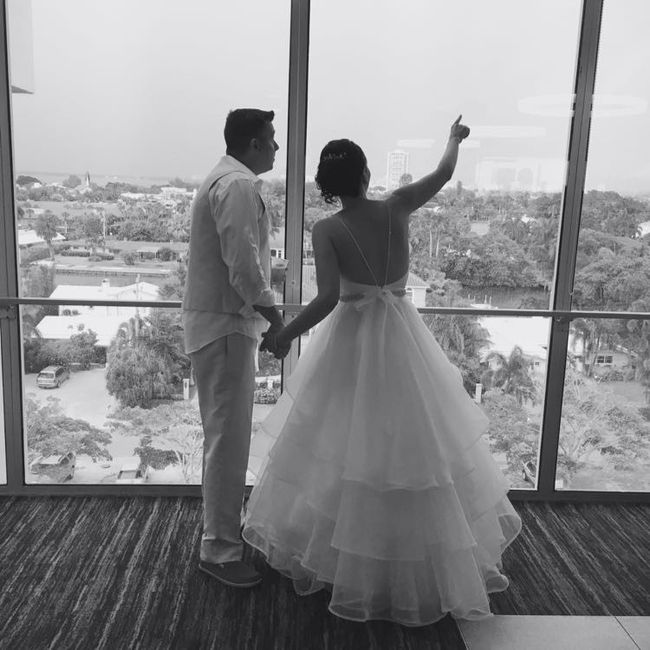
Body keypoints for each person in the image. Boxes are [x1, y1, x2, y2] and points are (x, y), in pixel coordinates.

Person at [244, 116, 522, 626]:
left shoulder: (327, 229)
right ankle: (416, 557)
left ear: (327, 186)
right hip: (403, 337)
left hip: (351, 341)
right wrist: (453, 140)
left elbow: (328, 298)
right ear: (366, 174)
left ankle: (353, 557)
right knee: (413, 444)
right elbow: (443, 174)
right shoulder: (397, 207)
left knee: (346, 444)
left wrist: (284, 336)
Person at [182, 108, 290, 589]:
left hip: (219, 325)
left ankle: (223, 536)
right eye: (272, 139)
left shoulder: (223, 180)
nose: (276, 147)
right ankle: (220, 551)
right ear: (253, 143)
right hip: (225, 327)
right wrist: (277, 319)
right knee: (228, 443)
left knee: (224, 439)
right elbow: (244, 266)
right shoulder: (238, 186)